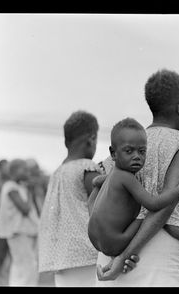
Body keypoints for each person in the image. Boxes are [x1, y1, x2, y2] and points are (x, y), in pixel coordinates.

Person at [95, 69, 179, 286]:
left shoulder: (125, 143)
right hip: (156, 249)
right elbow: (165, 206)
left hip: (115, 250)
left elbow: (99, 200)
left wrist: (119, 254)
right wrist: (125, 256)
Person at [88, 118, 179, 258]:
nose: (136, 156)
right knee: (156, 216)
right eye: (129, 151)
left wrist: (97, 182)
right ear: (113, 153)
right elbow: (153, 204)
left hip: (94, 237)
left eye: (142, 151)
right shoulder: (126, 177)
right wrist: (177, 191)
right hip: (115, 243)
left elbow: (96, 181)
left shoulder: (113, 174)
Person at [38, 111, 107, 287]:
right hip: (87, 255)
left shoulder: (57, 173)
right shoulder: (87, 167)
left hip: (61, 258)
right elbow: (104, 206)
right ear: (91, 139)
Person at [0, 159, 40, 286]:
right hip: (17, 232)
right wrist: (30, 192)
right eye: (23, 169)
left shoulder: (21, 186)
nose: (27, 172)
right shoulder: (10, 187)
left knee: (23, 264)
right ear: (14, 171)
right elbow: (25, 209)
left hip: (25, 231)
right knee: (26, 264)